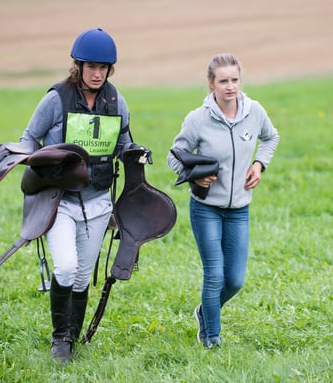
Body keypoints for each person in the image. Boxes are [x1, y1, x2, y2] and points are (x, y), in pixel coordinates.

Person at [20, 28, 147, 363]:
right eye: (91, 66)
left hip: (98, 203)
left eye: (103, 68)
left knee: (80, 278)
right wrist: (33, 160)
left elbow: (124, 143)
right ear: (78, 66)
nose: (97, 73)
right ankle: (59, 340)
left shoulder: (116, 101)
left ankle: (72, 338)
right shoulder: (56, 99)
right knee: (65, 268)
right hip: (59, 201)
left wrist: (136, 153)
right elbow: (29, 137)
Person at [166, 53, 280, 349]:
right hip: (206, 208)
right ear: (211, 84)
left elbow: (271, 138)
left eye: (234, 80)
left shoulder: (255, 112)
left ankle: (205, 312)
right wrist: (194, 178)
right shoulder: (197, 119)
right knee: (214, 275)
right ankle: (211, 339)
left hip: (239, 209)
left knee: (235, 280)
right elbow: (174, 157)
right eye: (223, 81)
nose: (230, 86)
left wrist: (259, 165)